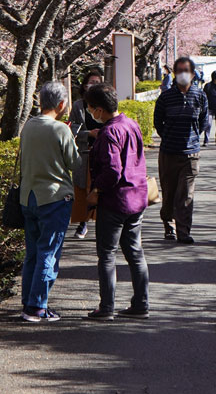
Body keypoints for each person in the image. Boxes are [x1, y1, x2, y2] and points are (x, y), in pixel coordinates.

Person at [80, 84, 150, 319]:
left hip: (115, 201)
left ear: (99, 109)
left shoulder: (110, 132)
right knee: (135, 252)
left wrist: (95, 190)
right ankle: (141, 303)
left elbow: (112, 171)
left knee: (107, 254)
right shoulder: (130, 124)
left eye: (91, 108)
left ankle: (107, 306)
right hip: (137, 197)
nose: (91, 113)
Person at [17, 81, 79, 323]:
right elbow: (74, 163)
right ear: (62, 104)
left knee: (32, 253)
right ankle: (37, 307)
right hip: (53, 197)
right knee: (49, 253)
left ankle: (28, 302)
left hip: (28, 197)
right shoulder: (60, 130)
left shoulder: (28, 126)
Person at [154, 56, 209, 243]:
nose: (182, 74)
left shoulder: (200, 96)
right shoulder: (165, 97)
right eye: (179, 71)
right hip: (168, 152)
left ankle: (184, 231)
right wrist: (169, 138)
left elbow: (203, 122)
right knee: (168, 193)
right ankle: (169, 226)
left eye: (186, 71)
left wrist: (193, 138)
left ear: (193, 74)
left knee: (186, 195)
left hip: (191, 154)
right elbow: (158, 122)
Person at [69, 69, 107, 240]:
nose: (93, 86)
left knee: (100, 188)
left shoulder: (106, 105)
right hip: (85, 152)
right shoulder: (78, 106)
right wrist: (89, 134)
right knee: (83, 189)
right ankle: (83, 223)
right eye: (90, 82)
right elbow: (72, 129)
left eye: (97, 82)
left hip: (102, 153)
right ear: (84, 86)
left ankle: (101, 223)